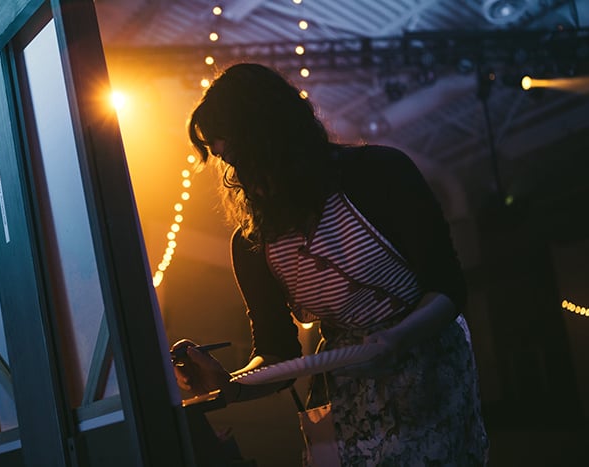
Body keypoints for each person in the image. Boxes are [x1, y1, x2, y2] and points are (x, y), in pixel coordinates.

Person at [172, 62, 489, 466]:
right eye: (228, 162)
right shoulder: (251, 242)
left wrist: (397, 339)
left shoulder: (381, 173)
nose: (240, 174)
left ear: (276, 134)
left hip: (429, 366)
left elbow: (448, 287)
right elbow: (276, 354)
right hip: (347, 385)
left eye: (244, 156)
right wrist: (231, 385)